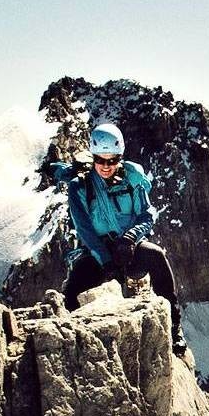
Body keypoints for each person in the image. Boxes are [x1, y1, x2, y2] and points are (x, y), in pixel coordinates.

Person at [49, 122, 184, 352]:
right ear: (93, 157)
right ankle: (69, 347)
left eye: (111, 160)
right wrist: (106, 260)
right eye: (100, 160)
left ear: (119, 157)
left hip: (128, 248)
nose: (105, 166)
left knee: (156, 257)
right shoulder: (79, 187)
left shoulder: (133, 178)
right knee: (74, 288)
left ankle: (174, 327)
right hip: (98, 253)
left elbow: (146, 215)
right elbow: (85, 231)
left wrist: (130, 239)